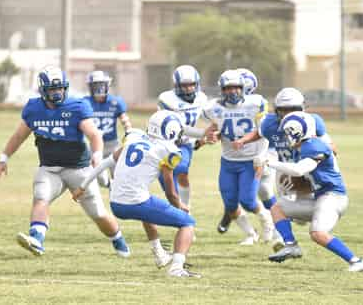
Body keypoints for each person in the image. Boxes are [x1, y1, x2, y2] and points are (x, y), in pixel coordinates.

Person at [0, 65, 129, 257]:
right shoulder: (34, 108)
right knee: (41, 198)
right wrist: (4, 157)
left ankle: (117, 238)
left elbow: (93, 134)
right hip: (49, 168)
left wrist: (97, 154)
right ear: (43, 90)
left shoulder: (76, 106)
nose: (57, 93)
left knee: (98, 214)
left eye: (60, 88)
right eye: (52, 89)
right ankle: (37, 239)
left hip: (79, 170)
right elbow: (19, 136)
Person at [72, 110, 201, 278]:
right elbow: (170, 192)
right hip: (135, 203)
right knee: (187, 224)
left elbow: (106, 162)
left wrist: (82, 186)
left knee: (147, 205)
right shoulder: (168, 151)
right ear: (171, 130)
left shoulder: (134, 138)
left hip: (116, 204)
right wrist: (180, 206)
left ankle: (160, 253)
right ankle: (176, 268)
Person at [253, 111, 363, 272]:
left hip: (334, 198)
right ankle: (291, 245)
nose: (286, 137)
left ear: (298, 132)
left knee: (317, 233)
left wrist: (269, 162)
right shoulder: (306, 146)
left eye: (288, 133)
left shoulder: (313, 146)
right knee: (277, 208)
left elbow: (299, 170)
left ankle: (357, 261)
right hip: (321, 197)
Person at [202, 69, 276, 245]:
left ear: (242, 88)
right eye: (228, 88)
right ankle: (251, 234)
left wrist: (256, 151)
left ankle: (267, 220)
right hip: (228, 161)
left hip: (250, 160)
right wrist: (211, 136)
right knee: (230, 204)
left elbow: (263, 131)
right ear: (222, 89)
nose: (232, 91)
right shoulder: (214, 108)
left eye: (236, 87)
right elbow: (216, 129)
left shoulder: (255, 103)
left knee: (249, 201)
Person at [157, 65, 208, 211]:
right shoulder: (167, 99)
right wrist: (202, 134)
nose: (188, 89)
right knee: (165, 180)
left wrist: (210, 133)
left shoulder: (202, 98)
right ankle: (178, 204)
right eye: (184, 85)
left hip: (185, 143)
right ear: (177, 85)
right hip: (166, 143)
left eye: (192, 85)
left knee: (181, 170)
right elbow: (177, 127)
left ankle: (186, 207)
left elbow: (209, 117)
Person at [83, 70, 131, 187]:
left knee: (118, 176)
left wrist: (129, 132)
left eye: (101, 84)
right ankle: (109, 185)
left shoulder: (115, 101)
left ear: (107, 85)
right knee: (101, 178)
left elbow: (124, 119)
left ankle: (117, 193)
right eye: (95, 85)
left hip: (112, 145)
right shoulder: (85, 102)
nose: (99, 88)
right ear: (90, 87)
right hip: (94, 145)